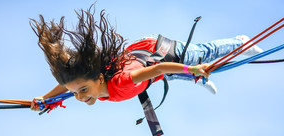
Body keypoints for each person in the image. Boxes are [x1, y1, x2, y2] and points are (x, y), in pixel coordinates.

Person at [30, 5, 262, 110]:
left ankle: (241, 42)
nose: (79, 97)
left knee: (200, 55)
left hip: (159, 52)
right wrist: (45, 98)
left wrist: (191, 69)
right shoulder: (90, 84)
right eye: (76, 92)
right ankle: (196, 77)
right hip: (143, 60)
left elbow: (159, 70)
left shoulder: (123, 81)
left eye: (82, 90)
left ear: (99, 79)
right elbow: (66, 85)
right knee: (168, 77)